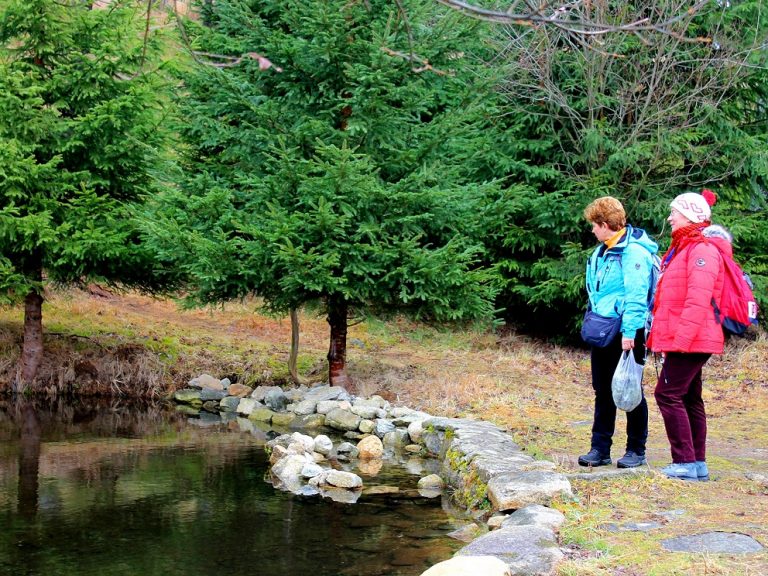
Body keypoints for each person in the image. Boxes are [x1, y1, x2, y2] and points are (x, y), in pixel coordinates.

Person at [647, 190, 723, 481]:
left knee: (666, 394)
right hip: (689, 337)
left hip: (691, 339)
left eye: (674, 213)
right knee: (690, 397)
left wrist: (679, 342)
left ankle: (684, 462)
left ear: (690, 215)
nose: (669, 218)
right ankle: (696, 463)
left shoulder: (701, 250)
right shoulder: (684, 248)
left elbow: (697, 300)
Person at [579, 196, 658, 469]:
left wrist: (630, 332)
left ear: (604, 224)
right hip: (603, 328)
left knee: (629, 387)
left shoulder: (634, 252)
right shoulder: (600, 252)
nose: (591, 230)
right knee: (602, 389)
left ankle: (637, 449)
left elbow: (637, 296)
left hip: (628, 330)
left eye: (594, 225)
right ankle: (600, 449)